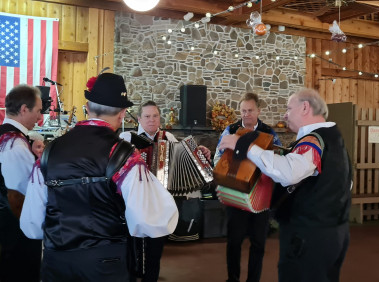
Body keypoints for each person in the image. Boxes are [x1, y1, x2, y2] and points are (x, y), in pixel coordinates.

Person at [20, 73, 179, 282]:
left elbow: (31, 224)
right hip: (105, 264)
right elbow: (149, 220)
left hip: (56, 262)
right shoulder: (124, 154)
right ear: (122, 114)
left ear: (87, 107)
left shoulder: (51, 151)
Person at [218, 88, 352, 282]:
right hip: (333, 233)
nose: (285, 114)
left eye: (289, 108)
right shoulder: (335, 137)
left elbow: (289, 173)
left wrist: (244, 146)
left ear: (305, 108)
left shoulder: (314, 139)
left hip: (309, 238)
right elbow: (345, 184)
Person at [120, 100, 211, 282]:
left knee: (155, 250)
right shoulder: (126, 139)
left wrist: (200, 152)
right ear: (138, 119)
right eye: (147, 116)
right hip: (133, 202)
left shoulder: (168, 138)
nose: (152, 120)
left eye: (155, 116)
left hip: (158, 204)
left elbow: (184, 158)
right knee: (131, 248)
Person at [214, 92, 281, 282]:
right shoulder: (230, 130)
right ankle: (232, 278)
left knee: (259, 242)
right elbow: (218, 157)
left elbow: (277, 162)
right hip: (235, 192)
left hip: (261, 194)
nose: (246, 114)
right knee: (234, 241)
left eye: (250, 110)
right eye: (243, 110)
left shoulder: (270, 133)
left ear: (258, 110)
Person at [0, 84, 43, 282]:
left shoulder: (9, 138)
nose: (40, 117)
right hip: (14, 232)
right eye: (38, 111)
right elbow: (27, 192)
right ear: (24, 109)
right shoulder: (15, 145)